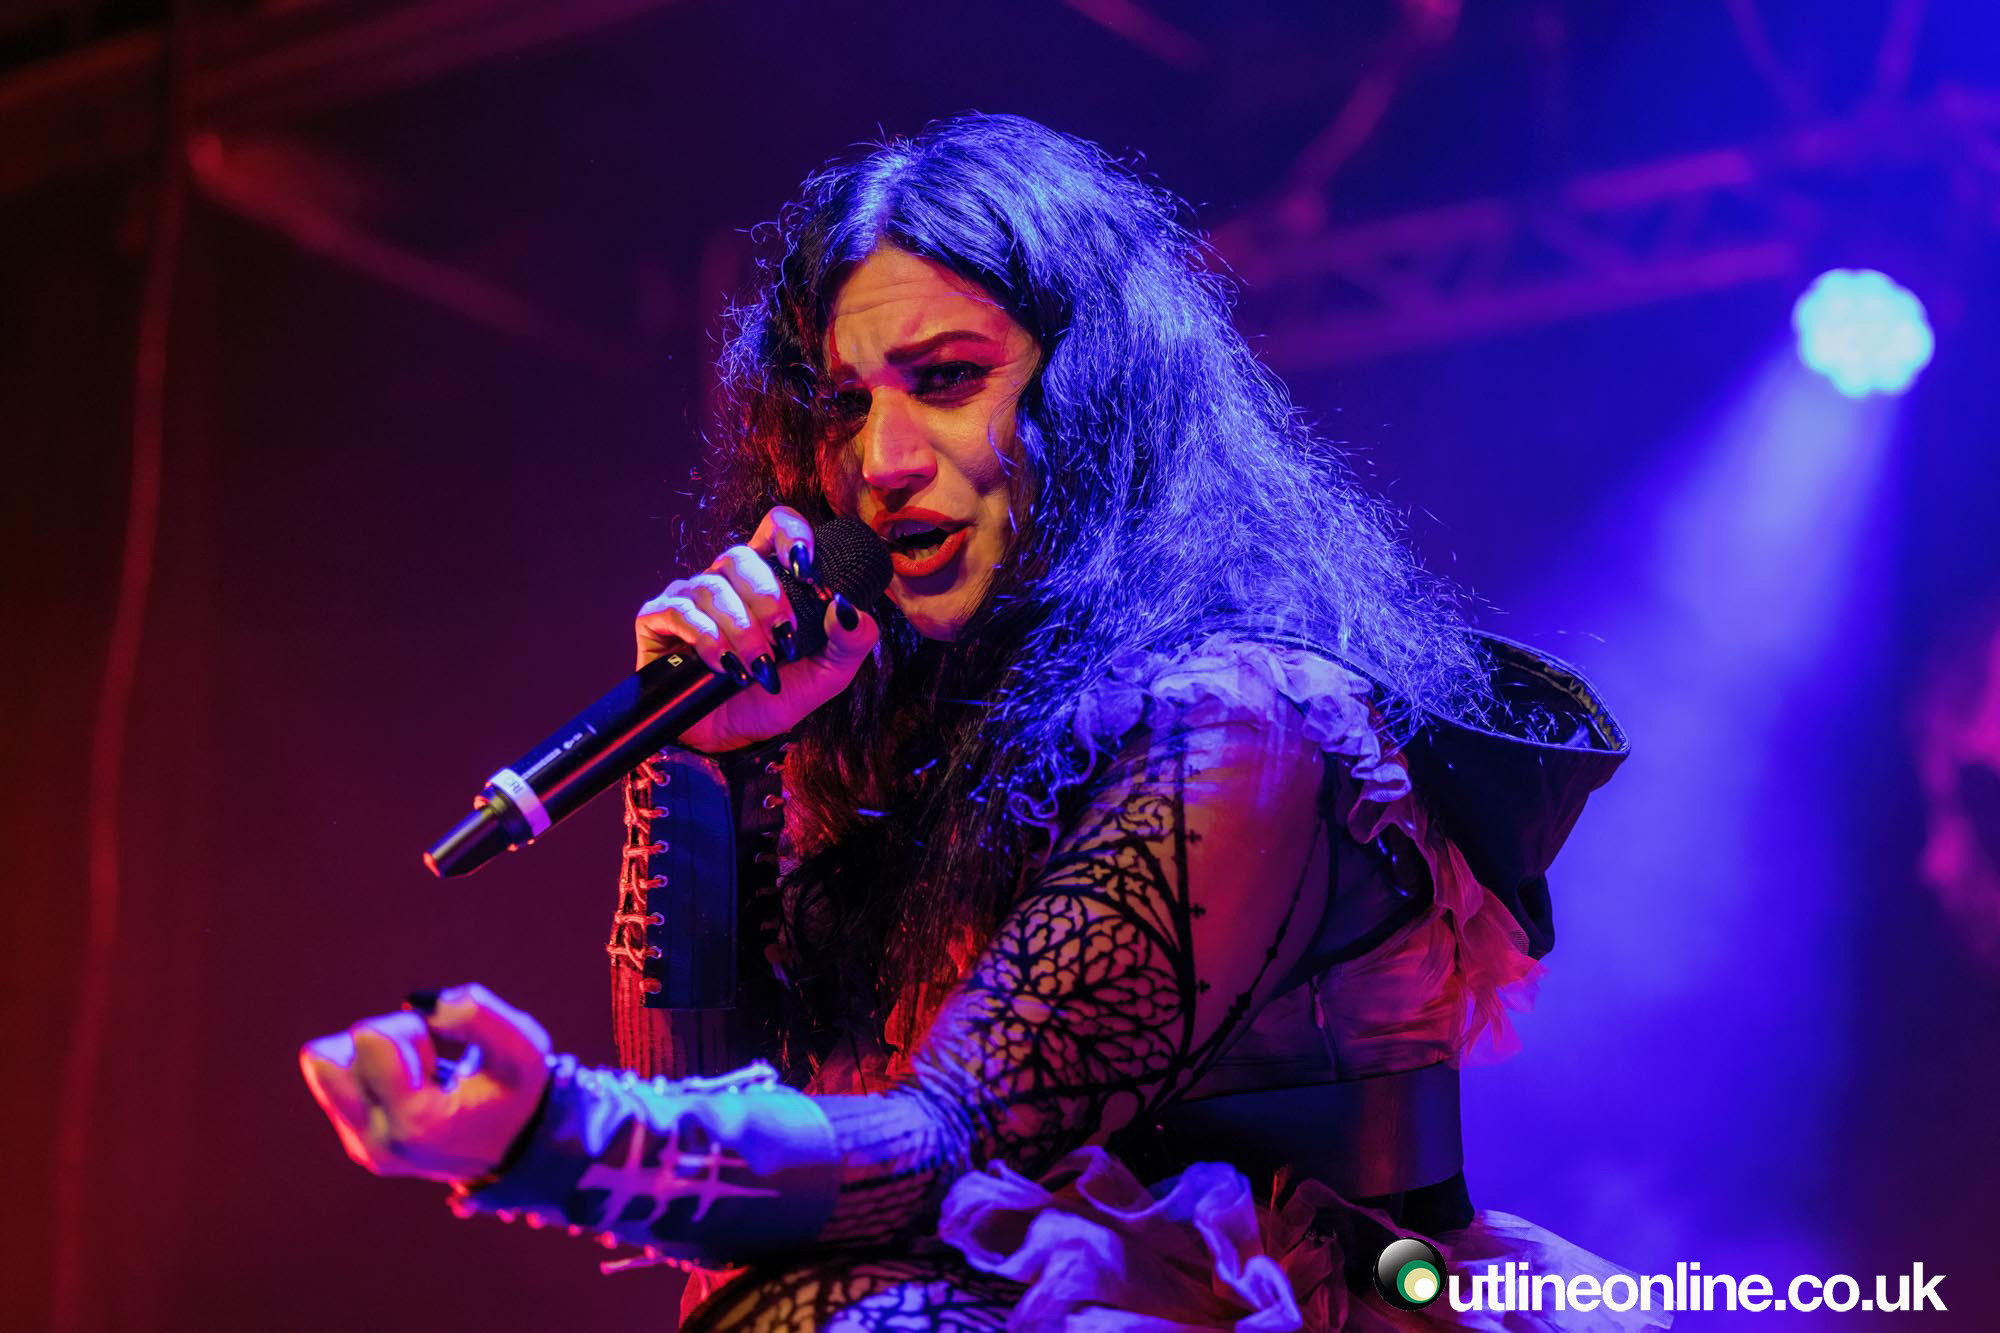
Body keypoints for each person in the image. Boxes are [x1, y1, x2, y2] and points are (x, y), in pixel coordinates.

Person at [300, 113, 1665, 1330]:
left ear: (1094, 389)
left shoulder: (1242, 718)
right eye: (845, 405)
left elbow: (945, 1147)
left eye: (947, 379)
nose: (882, 461)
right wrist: (702, 765)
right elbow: (719, 1211)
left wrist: (555, 1134)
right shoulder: (914, 738)